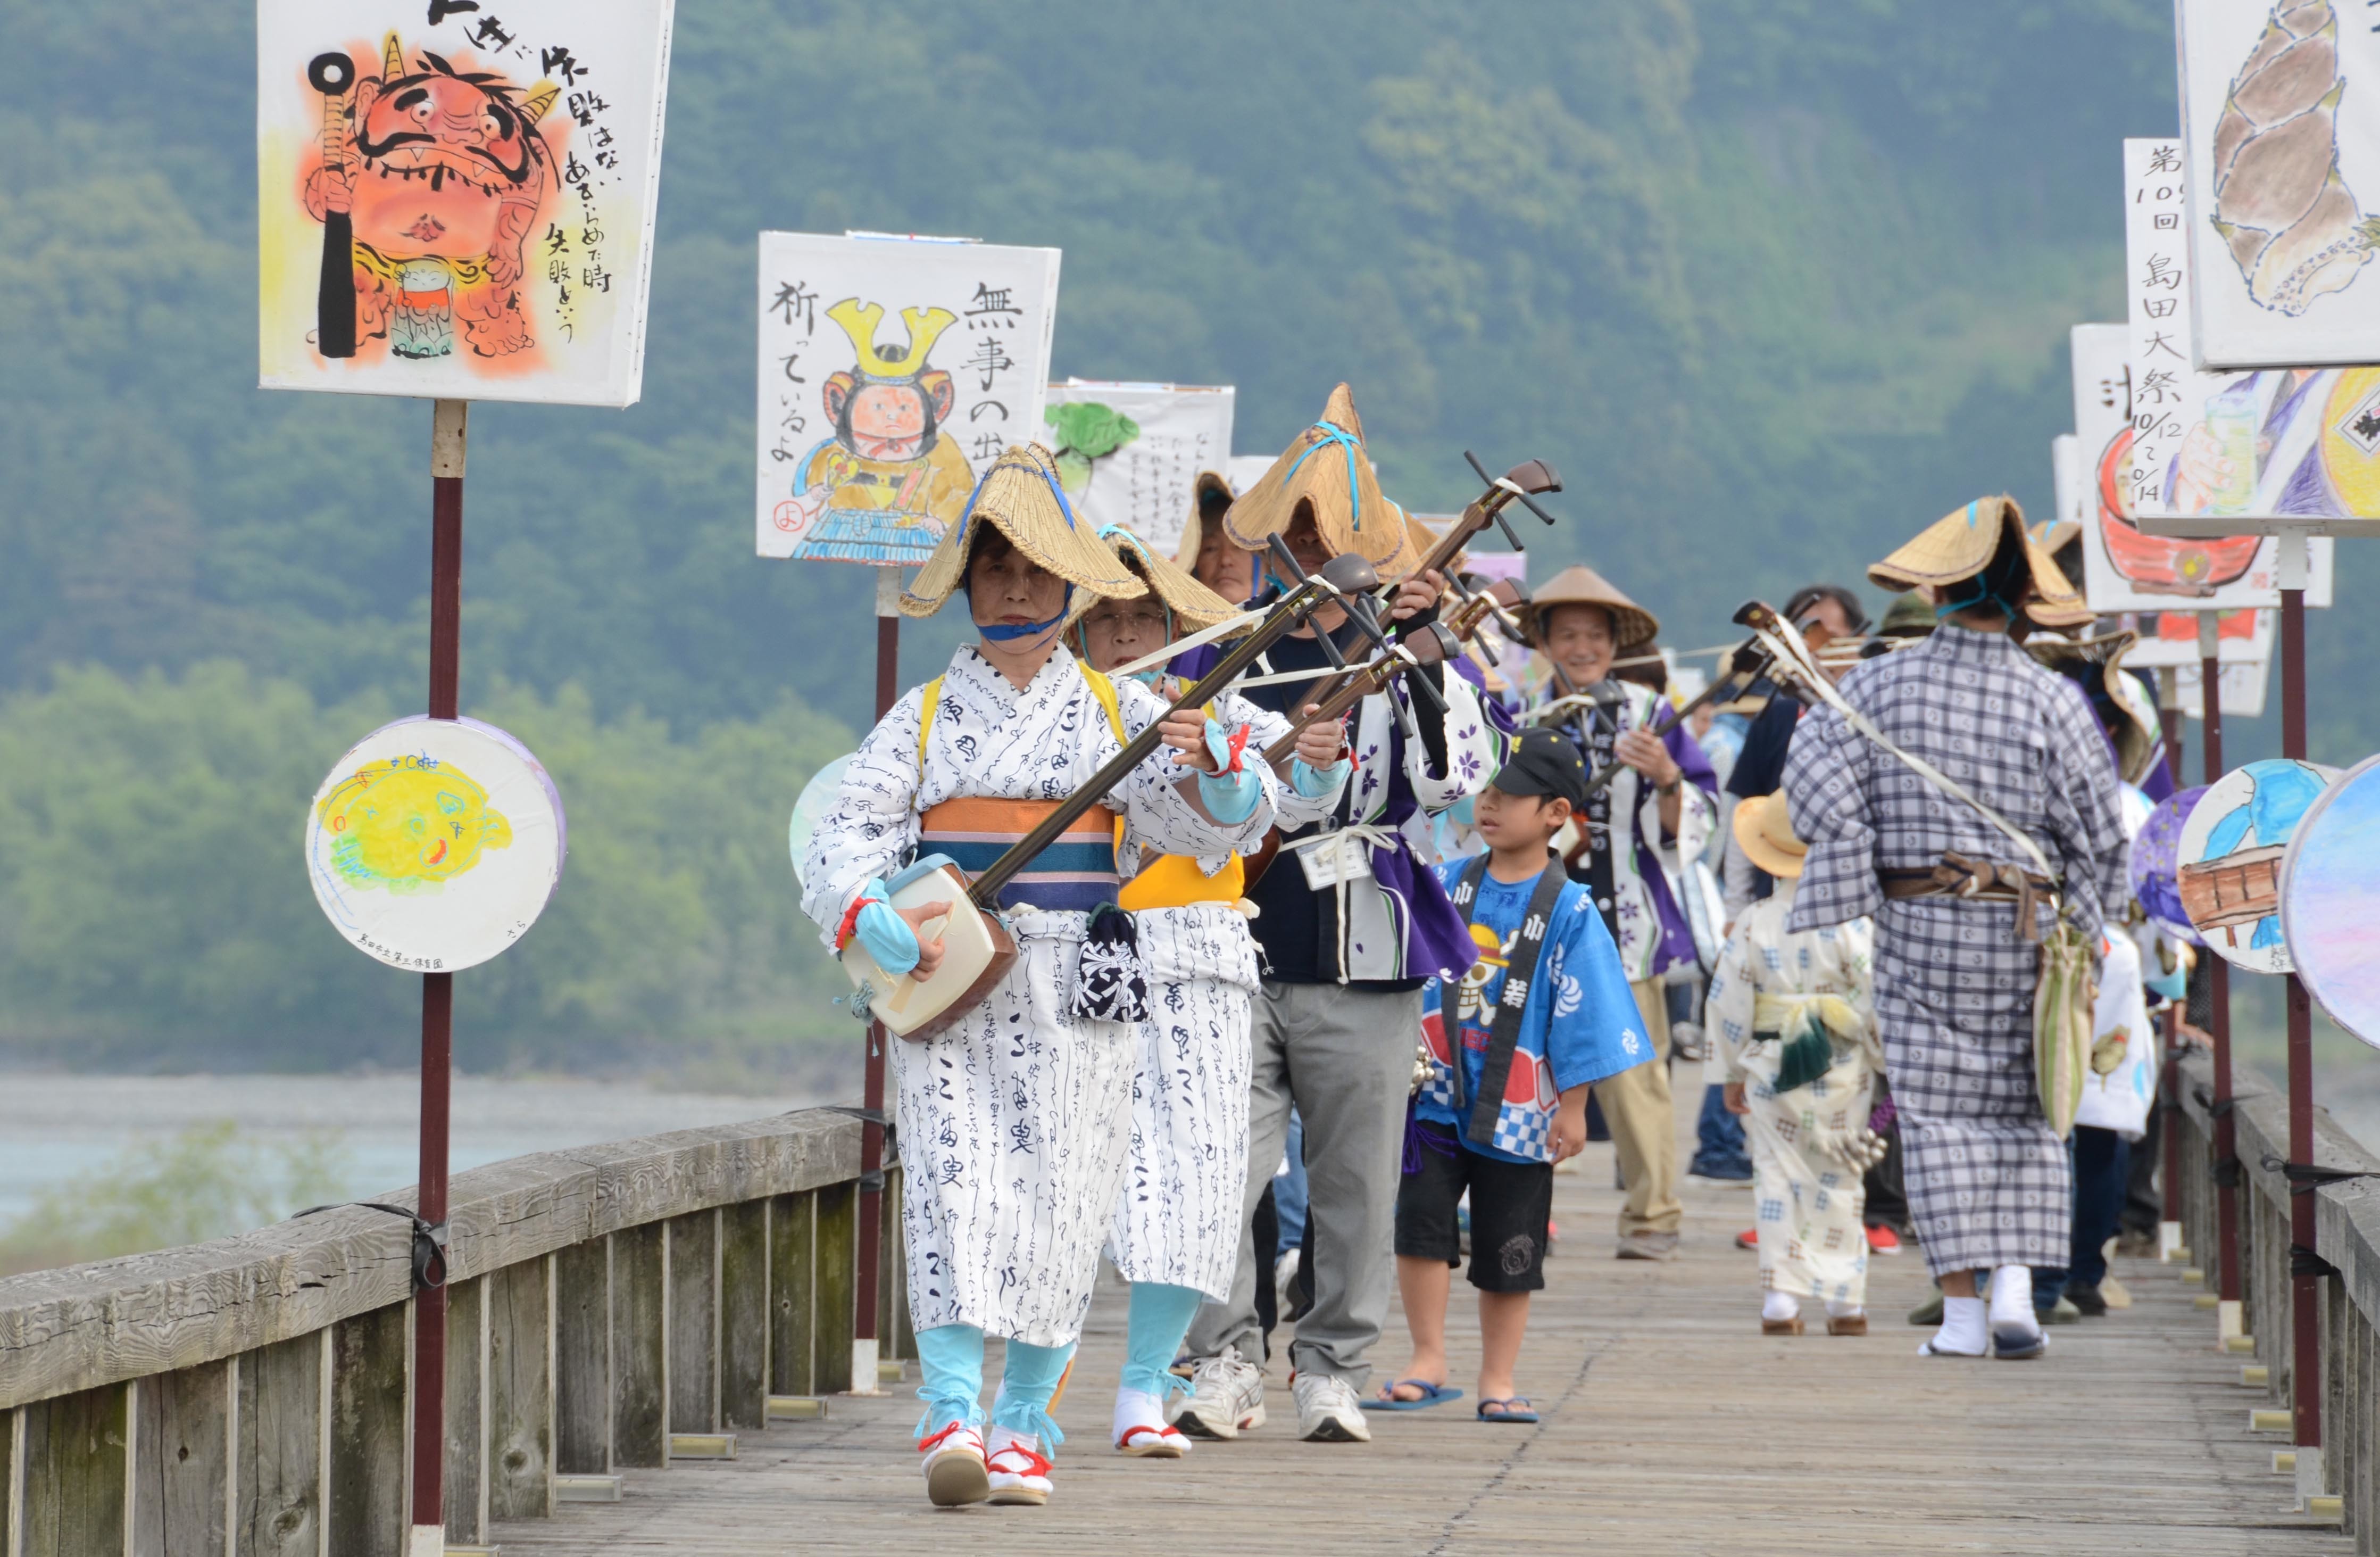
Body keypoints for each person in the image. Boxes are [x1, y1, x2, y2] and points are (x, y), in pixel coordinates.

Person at [798, 445, 1280, 1506]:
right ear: (966, 584)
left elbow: (1201, 835)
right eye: (992, 565)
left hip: (1078, 987)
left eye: (1032, 567)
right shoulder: (922, 716)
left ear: (1067, 587)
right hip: (953, 983)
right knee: (954, 1188)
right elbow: (846, 829)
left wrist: (1219, 773)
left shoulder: (1117, 716)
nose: (1013, 583)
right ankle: (951, 1412)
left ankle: (1026, 1421)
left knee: (1063, 1197)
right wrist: (864, 909)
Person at [1172, 385, 1496, 1444]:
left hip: (1366, 934)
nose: (1317, 550)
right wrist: (1273, 768)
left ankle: (1331, 1366)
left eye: (1338, 533)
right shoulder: (1218, 654)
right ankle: (1218, 1359)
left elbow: (1455, 786)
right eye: (1301, 531)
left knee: (1357, 1172)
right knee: (1220, 1161)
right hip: (1228, 927)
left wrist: (1428, 663)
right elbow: (1189, 794)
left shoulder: (1416, 658)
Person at [1783, 494, 2128, 1361]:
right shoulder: (2051, 699)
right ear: (2020, 597)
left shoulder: (1872, 684)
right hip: (2025, 934)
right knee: (2023, 1106)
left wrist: (1855, 848)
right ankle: (2016, 1283)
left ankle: (1962, 1313)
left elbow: (1810, 774)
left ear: (1937, 593)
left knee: (1935, 1119)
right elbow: (2096, 834)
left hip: (1914, 924)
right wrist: (2081, 941)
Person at [1060, 522, 1349, 1457]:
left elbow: (1301, 794)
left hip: (1200, 967)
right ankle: (1029, 1393)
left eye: (1148, 618)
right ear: (1079, 631)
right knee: (1070, 1176)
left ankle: (1154, 1381)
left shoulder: (1217, 705)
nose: (1129, 636)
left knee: (1194, 1178)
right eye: (1107, 620)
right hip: (1077, 960)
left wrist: (1313, 750)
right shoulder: (1058, 710)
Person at [1378, 728, 1650, 1420]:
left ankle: (1497, 1378)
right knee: (1419, 1229)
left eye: (1509, 795)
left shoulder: (1570, 906)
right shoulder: (1445, 880)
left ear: (1556, 812)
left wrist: (1573, 1107)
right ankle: (1427, 1357)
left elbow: (1584, 1011)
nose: (1490, 805)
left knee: (1510, 1244)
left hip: (1523, 1108)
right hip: (1434, 1094)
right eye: (1486, 791)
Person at [1524, 566, 1719, 1260]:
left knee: (1636, 1076)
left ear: (1613, 643)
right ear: (1544, 641)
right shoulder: (1519, 713)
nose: (1582, 647)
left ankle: (1652, 1216)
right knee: (1522, 1069)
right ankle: (1522, 1214)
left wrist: (1665, 774)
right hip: (1534, 919)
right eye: (1568, 635)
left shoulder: (1650, 713)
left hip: (1626, 920)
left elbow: (1700, 812)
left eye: (1595, 636)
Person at [1708, 792, 1881, 1335]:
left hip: (1771, 1059)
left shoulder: (1756, 921)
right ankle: (1843, 1302)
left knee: (1777, 1177)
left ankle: (1780, 1300)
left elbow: (1728, 1003)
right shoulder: (1855, 922)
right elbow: (1877, 994)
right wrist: (1881, 1053)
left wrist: (1730, 1073)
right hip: (1839, 1060)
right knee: (1839, 1172)